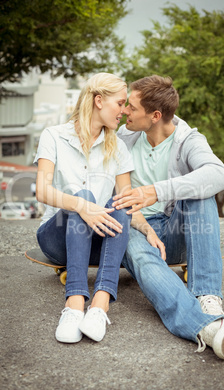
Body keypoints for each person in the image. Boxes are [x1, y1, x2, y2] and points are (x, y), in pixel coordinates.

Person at [34, 73, 165, 344]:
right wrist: (82, 205)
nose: (124, 111)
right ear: (98, 101)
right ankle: (74, 304)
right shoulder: (54, 136)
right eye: (120, 103)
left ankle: (99, 305)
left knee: (118, 204)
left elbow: (126, 203)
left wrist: (148, 230)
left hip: (95, 238)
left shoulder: (117, 147)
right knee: (84, 197)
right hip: (56, 237)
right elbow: (43, 191)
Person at [113, 75, 224, 359]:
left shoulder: (188, 139)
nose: (125, 112)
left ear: (155, 116)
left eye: (131, 107)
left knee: (202, 190)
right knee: (130, 240)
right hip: (138, 231)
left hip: (176, 233)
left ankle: (207, 296)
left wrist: (157, 191)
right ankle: (204, 328)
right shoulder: (124, 137)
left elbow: (220, 174)